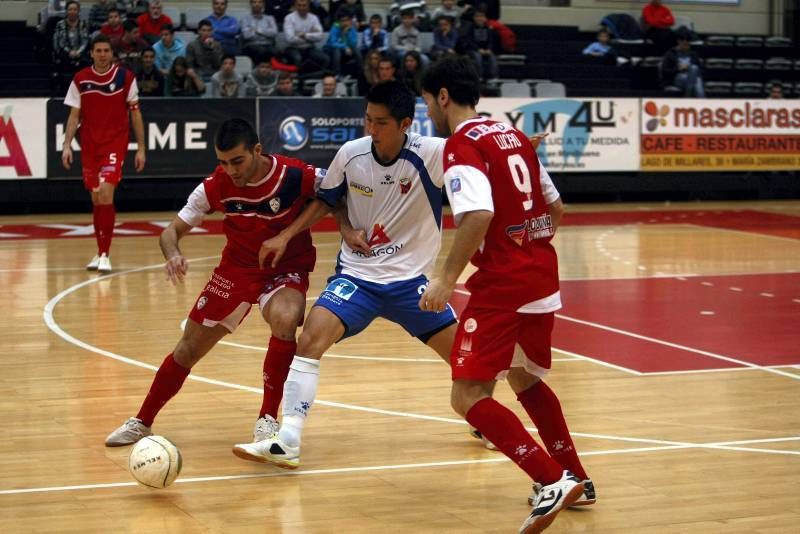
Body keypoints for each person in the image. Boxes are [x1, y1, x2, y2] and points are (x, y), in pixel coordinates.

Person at [231, 81, 463, 468]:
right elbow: (328, 199)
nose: (371, 129)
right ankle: (287, 440)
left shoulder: (433, 153)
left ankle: (483, 420)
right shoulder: (350, 154)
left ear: (406, 123)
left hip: (412, 283)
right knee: (309, 341)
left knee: (466, 361)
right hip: (358, 277)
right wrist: (297, 234)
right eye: (367, 119)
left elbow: (480, 151)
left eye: (381, 123)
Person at [419, 55, 593, 534]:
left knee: (467, 395)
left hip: (504, 283)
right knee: (524, 379)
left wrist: (444, 278)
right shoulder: (513, 134)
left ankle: (549, 478)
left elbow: (475, 215)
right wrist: (525, 244)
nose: (427, 109)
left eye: (427, 100)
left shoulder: (461, 146)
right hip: (540, 276)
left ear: (443, 97)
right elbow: (556, 208)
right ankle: (576, 476)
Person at [104, 118, 327, 448]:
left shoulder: (294, 174)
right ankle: (143, 420)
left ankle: (267, 419)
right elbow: (170, 232)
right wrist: (173, 255)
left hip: (284, 269)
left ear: (257, 150)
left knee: (285, 318)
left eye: (237, 161)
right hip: (235, 271)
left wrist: (290, 234)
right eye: (223, 162)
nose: (231, 170)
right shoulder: (215, 185)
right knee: (188, 349)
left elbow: (334, 194)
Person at [61, 34, 146, 273]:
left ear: (112, 53)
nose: (102, 54)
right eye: (97, 51)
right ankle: (99, 251)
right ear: (91, 53)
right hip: (89, 146)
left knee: (107, 195)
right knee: (96, 198)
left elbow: (136, 114)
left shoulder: (125, 78)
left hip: (114, 145)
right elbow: (74, 116)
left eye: (106, 51)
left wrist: (140, 147)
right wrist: (67, 145)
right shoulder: (81, 79)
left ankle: (106, 254)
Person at [53, 0, 90, 91]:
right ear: (66, 11)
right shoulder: (60, 24)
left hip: (80, 53)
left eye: (75, 9)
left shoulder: (84, 24)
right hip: (65, 52)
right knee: (63, 60)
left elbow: (85, 41)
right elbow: (60, 42)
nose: (72, 11)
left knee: (85, 61)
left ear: (78, 11)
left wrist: (78, 52)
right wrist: (69, 52)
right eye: (70, 9)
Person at [283, 0, 330, 71]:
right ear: (295, 6)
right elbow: (290, 39)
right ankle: (298, 79)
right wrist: (311, 34)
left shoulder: (314, 18)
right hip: (293, 48)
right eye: (299, 5)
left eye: (304, 5)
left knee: (325, 58)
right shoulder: (289, 18)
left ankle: (319, 77)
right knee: (297, 58)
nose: (302, 8)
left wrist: (304, 35)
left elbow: (320, 36)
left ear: (308, 6)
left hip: (310, 48)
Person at [457, 8, 498, 80]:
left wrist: (489, 49)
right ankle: (479, 76)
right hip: (473, 50)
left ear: (485, 18)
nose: (479, 18)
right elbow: (469, 41)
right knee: (477, 57)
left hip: (485, 50)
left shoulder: (488, 28)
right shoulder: (470, 28)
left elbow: (491, 41)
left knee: (493, 58)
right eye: (477, 16)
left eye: (482, 16)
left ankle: (493, 77)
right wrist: (478, 49)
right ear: (474, 18)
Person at [661, 30, 704, 97]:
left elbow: (701, 70)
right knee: (695, 77)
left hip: (692, 77)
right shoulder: (671, 54)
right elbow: (665, 72)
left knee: (695, 75)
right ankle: (701, 103)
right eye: (682, 40)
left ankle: (687, 96)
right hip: (677, 77)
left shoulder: (693, 54)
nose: (685, 42)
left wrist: (689, 68)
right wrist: (679, 68)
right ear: (678, 41)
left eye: (687, 40)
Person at [240, 0, 279, 65]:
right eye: (254, 2)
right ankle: (258, 70)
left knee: (277, 52)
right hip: (251, 44)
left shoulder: (270, 18)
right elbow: (246, 35)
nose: (257, 4)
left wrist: (258, 31)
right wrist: (266, 32)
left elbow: (274, 33)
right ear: (251, 4)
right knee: (262, 51)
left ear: (263, 4)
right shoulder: (245, 19)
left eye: (260, 2)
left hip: (268, 44)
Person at [325, 8, 362, 76]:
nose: (345, 23)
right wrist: (345, 46)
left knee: (356, 50)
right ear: (338, 21)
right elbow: (333, 43)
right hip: (331, 50)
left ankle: (360, 73)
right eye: (342, 21)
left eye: (347, 20)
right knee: (337, 50)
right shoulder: (335, 28)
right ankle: (337, 74)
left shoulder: (352, 28)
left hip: (346, 50)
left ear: (350, 20)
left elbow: (354, 43)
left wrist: (347, 33)